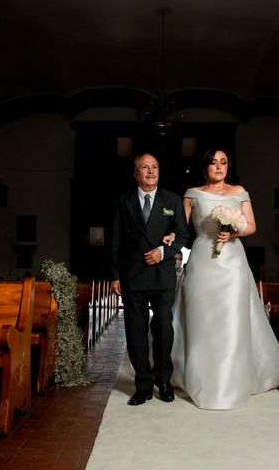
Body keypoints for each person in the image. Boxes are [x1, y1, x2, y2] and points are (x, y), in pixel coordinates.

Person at [168, 149, 279, 410]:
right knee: (201, 315)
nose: (219, 167)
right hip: (201, 258)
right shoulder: (191, 194)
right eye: (213, 163)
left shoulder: (239, 191)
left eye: (223, 162)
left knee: (232, 316)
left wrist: (233, 232)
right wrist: (169, 241)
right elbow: (180, 228)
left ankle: (230, 379)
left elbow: (251, 226)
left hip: (232, 261)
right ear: (205, 167)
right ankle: (198, 375)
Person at [109, 153, 189, 406]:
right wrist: (114, 276)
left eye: (154, 167)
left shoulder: (173, 200)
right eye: (145, 167)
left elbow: (183, 237)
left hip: (162, 274)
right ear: (136, 173)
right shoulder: (123, 201)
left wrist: (164, 251)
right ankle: (142, 385)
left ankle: (163, 381)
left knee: (164, 328)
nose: (151, 171)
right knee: (135, 331)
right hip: (133, 275)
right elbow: (114, 241)